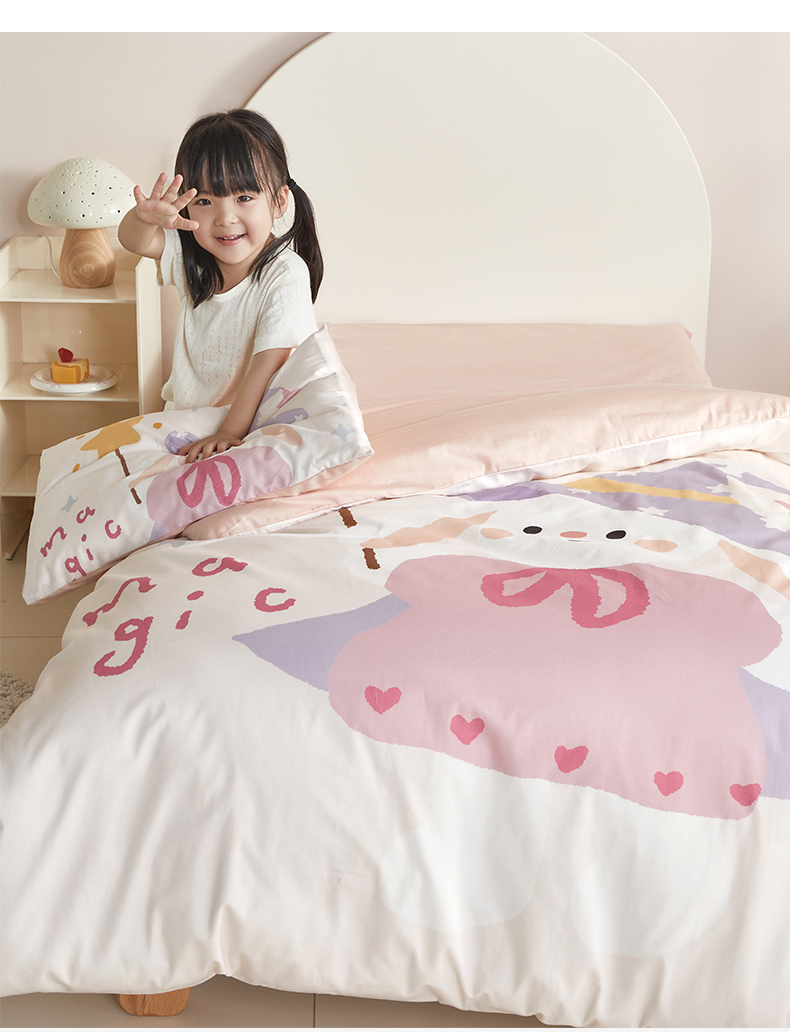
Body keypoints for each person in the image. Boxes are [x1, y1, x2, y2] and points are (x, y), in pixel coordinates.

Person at [119, 109, 322, 463]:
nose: (225, 218)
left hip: (247, 425)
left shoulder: (284, 273)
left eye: (243, 198)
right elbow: (136, 242)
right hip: (183, 421)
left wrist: (229, 433)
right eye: (204, 201)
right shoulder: (193, 256)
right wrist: (142, 218)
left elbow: (268, 363)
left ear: (279, 201)